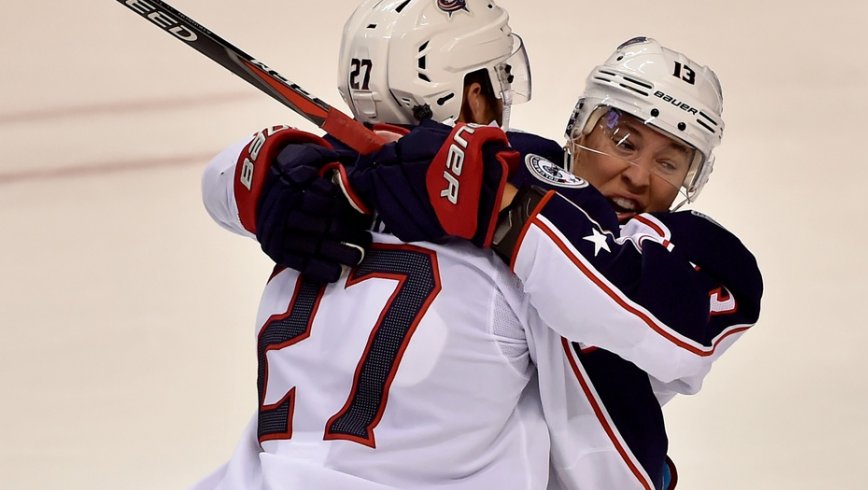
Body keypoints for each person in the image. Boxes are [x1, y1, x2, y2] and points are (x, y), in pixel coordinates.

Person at [198, 1, 762, 487]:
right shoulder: (369, 191)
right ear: (578, 129)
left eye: (669, 161)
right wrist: (286, 169)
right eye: (622, 139)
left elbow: (669, 309)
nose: (639, 175)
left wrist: (263, 170)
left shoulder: (645, 245)